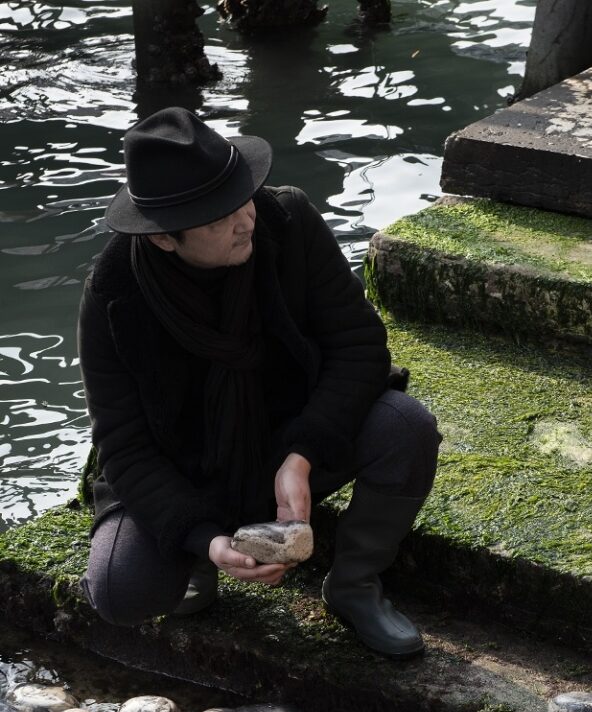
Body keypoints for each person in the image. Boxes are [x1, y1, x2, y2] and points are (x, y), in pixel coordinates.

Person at [78, 107, 441, 657]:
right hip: (186, 470)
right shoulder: (113, 295)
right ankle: (198, 561)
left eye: (242, 198)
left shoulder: (287, 220)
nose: (246, 219)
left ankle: (354, 586)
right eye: (219, 219)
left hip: (284, 439)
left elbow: (359, 348)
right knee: (118, 591)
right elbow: (123, 446)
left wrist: (302, 455)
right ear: (163, 240)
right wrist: (204, 538)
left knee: (406, 428)